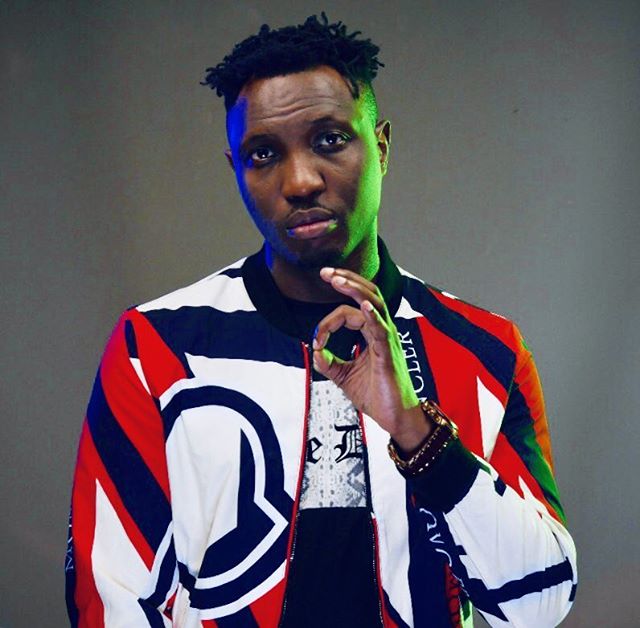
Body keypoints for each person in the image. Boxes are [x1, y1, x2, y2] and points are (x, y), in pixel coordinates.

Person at [65, 14, 577, 628]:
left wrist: (418, 433)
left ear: (381, 147)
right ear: (236, 170)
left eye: (329, 140)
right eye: (263, 154)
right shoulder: (157, 348)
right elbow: (111, 600)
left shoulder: (486, 350)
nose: (301, 181)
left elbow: (540, 605)